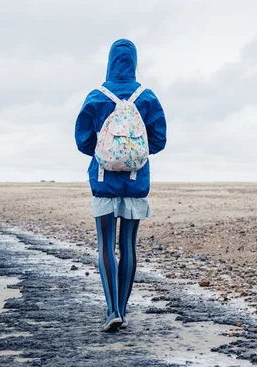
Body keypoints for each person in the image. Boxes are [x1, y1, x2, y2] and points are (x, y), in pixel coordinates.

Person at [75, 39, 167, 332]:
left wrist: (104, 153)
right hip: (135, 181)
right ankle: (123, 312)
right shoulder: (147, 97)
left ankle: (111, 309)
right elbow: (160, 140)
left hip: (103, 182)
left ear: (110, 62)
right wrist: (135, 153)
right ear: (134, 63)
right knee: (128, 245)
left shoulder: (96, 96)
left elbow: (82, 140)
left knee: (105, 245)